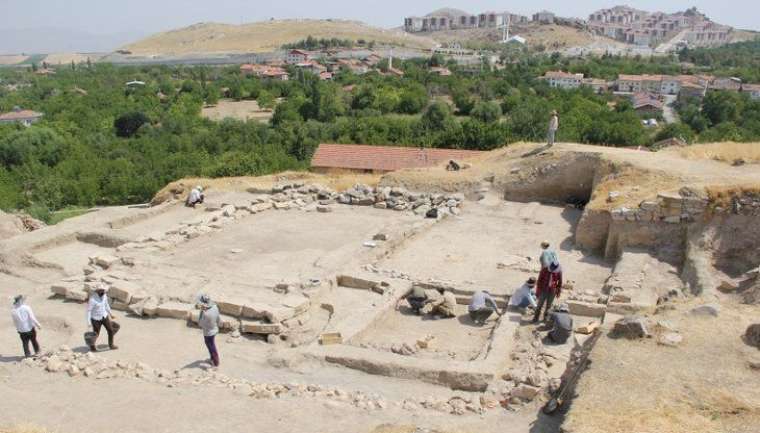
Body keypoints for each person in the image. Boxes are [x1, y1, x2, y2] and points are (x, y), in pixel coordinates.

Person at [86, 283, 118, 351]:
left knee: (110, 330)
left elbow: (106, 305)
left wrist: (111, 314)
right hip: (95, 319)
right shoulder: (92, 299)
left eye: (103, 290)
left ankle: (111, 345)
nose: (102, 292)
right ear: (97, 291)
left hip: (104, 316)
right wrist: (89, 322)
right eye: (101, 290)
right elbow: (89, 311)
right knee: (96, 334)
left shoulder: (104, 296)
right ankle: (92, 347)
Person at [197, 294, 221, 367]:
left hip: (208, 332)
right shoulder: (215, 307)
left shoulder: (205, 313)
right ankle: (212, 359)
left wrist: (201, 312)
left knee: (211, 346)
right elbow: (218, 318)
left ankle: (216, 363)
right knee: (211, 344)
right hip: (214, 329)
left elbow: (200, 324)